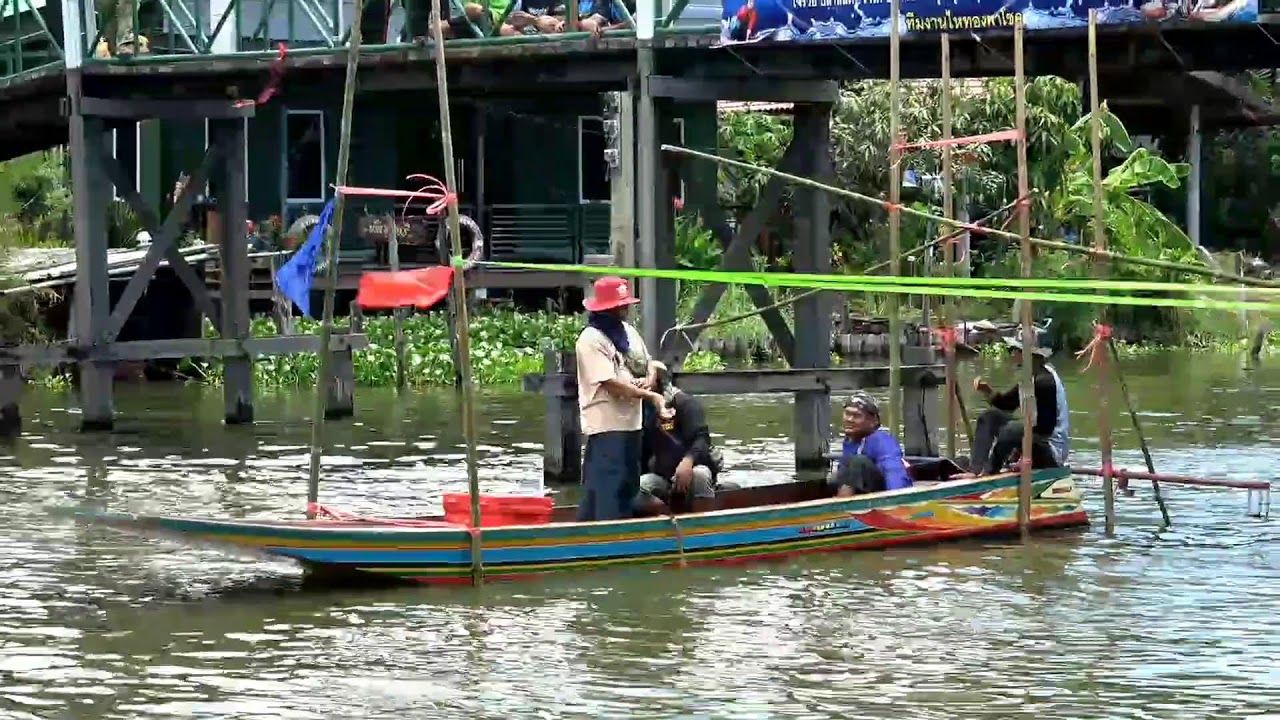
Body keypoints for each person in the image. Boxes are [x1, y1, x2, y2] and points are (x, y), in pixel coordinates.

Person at [576, 276, 669, 522]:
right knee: (607, 488)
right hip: (606, 426)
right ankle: (604, 536)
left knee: (628, 485)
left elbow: (649, 362)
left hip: (632, 424)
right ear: (607, 308)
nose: (625, 309)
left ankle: (623, 532)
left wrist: (649, 378)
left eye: (626, 304)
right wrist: (649, 395)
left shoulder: (628, 332)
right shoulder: (590, 339)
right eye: (621, 305)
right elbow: (610, 383)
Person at [970, 331, 1070, 476]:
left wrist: (1017, 449)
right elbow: (1007, 404)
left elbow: (1045, 429)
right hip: (1036, 439)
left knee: (1011, 430)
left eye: (1014, 350)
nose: (1011, 355)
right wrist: (987, 390)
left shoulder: (1044, 381)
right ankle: (975, 470)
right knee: (990, 417)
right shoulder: (1031, 378)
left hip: (1051, 451)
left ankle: (990, 471)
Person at [636, 362, 722, 513]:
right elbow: (644, 451)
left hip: (694, 469)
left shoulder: (687, 404)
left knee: (699, 475)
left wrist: (688, 461)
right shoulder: (647, 411)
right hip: (665, 478)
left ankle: (705, 524)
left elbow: (701, 439)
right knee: (640, 486)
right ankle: (666, 520)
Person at [827, 392, 911, 497]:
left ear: (873, 421)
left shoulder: (881, 441)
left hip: (881, 492)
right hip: (861, 491)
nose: (849, 419)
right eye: (847, 414)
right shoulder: (849, 441)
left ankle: (841, 505)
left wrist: (896, 498)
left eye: (857, 416)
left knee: (858, 462)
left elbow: (894, 472)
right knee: (834, 477)